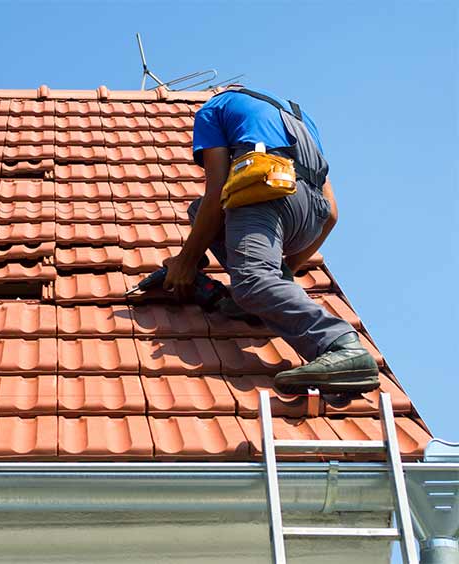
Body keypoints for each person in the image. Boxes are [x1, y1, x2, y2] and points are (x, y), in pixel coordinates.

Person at [163, 86, 380, 394]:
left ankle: (341, 345)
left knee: (250, 281)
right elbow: (332, 214)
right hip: (309, 217)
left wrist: (186, 262)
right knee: (199, 212)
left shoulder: (212, 110)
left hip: (267, 194)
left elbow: (215, 194)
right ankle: (266, 297)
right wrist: (286, 270)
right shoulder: (299, 117)